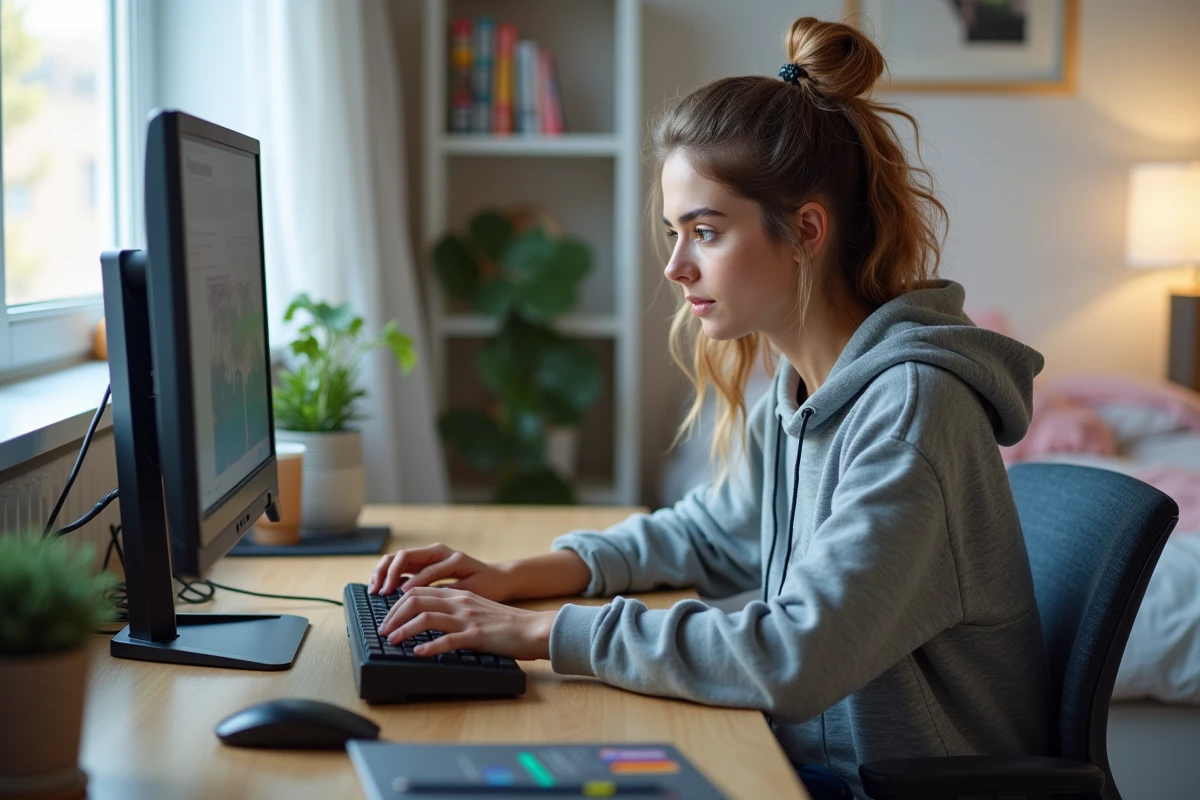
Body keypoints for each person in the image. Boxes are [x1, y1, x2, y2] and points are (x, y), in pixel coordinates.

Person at [369, 15, 1049, 800]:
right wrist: (519, 576)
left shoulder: (911, 411)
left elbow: (797, 659)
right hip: (807, 760)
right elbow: (713, 534)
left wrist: (539, 633)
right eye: (673, 232)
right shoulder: (801, 391)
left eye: (705, 231)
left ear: (805, 231)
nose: (675, 266)